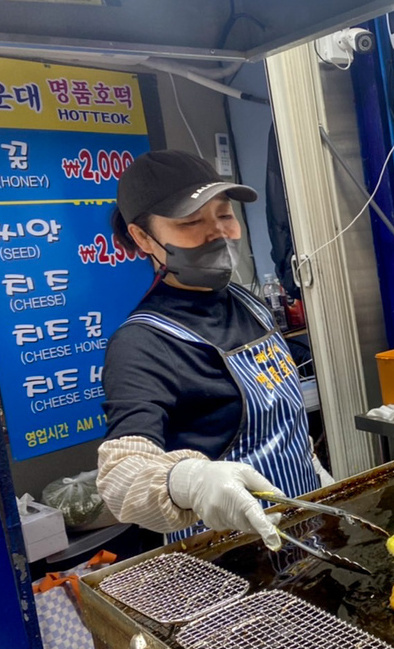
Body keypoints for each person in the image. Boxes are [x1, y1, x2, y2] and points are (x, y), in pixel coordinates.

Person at [97, 149, 326, 549]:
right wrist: (190, 481)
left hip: (305, 525)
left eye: (224, 215)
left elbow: (284, 422)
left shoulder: (249, 304)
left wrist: (317, 475)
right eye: (190, 222)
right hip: (226, 556)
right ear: (143, 238)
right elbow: (121, 477)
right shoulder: (143, 343)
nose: (218, 233)